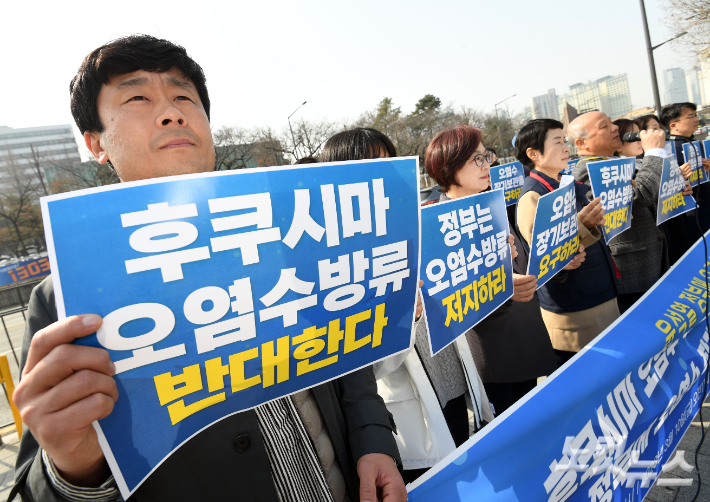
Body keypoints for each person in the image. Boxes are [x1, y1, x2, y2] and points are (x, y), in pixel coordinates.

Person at [11, 36, 406, 502]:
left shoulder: (297, 235)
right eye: (137, 97)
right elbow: (37, 488)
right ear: (96, 142)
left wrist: (374, 442)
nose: (171, 112)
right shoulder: (65, 302)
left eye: (183, 97)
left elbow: (346, 354)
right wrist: (73, 468)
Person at [320, 128, 495, 485]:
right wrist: (406, 317)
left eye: (390, 163)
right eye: (370, 166)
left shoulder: (415, 223)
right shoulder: (334, 258)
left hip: (452, 383)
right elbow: (362, 370)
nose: (386, 175)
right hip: (408, 410)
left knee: (466, 474)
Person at [424, 125, 556, 417]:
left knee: (532, 416)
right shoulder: (435, 222)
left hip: (524, 331)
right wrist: (498, 282)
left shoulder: (491, 203)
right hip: (488, 347)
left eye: (487, 156)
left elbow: (522, 261)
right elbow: (445, 296)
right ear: (449, 167)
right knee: (504, 427)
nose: (488, 165)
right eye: (477, 159)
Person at [515, 118, 614, 368]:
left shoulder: (565, 183)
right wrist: (582, 223)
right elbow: (546, 255)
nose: (566, 148)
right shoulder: (532, 196)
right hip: (574, 310)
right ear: (534, 153)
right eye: (557, 142)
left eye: (565, 141)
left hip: (598, 294)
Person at [604, 118, 692, 312]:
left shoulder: (643, 164)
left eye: (640, 134)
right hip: (635, 267)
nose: (640, 140)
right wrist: (655, 152)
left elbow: (648, 199)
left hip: (658, 251)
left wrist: (676, 189)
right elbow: (640, 196)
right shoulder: (606, 169)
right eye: (633, 136)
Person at [660, 102, 710, 260]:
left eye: (696, 115)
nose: (696, 119)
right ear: (673, 125)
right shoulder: (670, 149)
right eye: (690, 116)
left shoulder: (692, 142)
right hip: (691, 219)